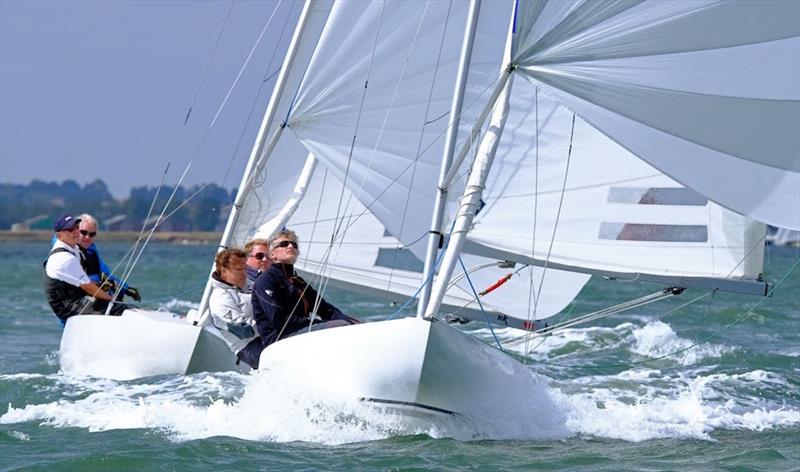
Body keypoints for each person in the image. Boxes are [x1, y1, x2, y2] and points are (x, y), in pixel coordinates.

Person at [251, 229, 359, 352]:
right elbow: (280, 321)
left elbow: (325, 309)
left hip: (299, 333)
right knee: (341, 326)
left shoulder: (298, 282)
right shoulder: (265, 280)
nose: (290, 246)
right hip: (278, 342)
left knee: (352, 325)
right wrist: (318, 324)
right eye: (284, 244)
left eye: (294, 244)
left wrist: (350, 320)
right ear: (272, 254)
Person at [43, 214, 125, 324]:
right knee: (119, 309)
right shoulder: (64, 258)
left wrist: (124, 287)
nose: (76, 232)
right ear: (59, 236)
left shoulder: (74, 247)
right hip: (67, 308)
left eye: (77, 228)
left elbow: (103, 271)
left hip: (76, 299)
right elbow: (89, 287)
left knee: (118, 305)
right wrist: (111, 300)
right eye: (70, 230)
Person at [208, 248, 262, 368]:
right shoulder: (220, 299)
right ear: (224, 271)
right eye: (238, 270)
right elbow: (244, 330)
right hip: (250, 348)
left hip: (268, 337)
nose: (244, 273)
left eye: (245, 268)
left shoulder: (248, 284)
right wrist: (276, 327)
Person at [76, 213, 141, 302]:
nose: (87, 237)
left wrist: (126, 288)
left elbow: (107, 274)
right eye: (83, 232)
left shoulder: (91, 251)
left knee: (114, 288)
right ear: (75, 230)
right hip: (77, 297)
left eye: (92, 234)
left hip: (94, 293)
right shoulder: (67, 252)